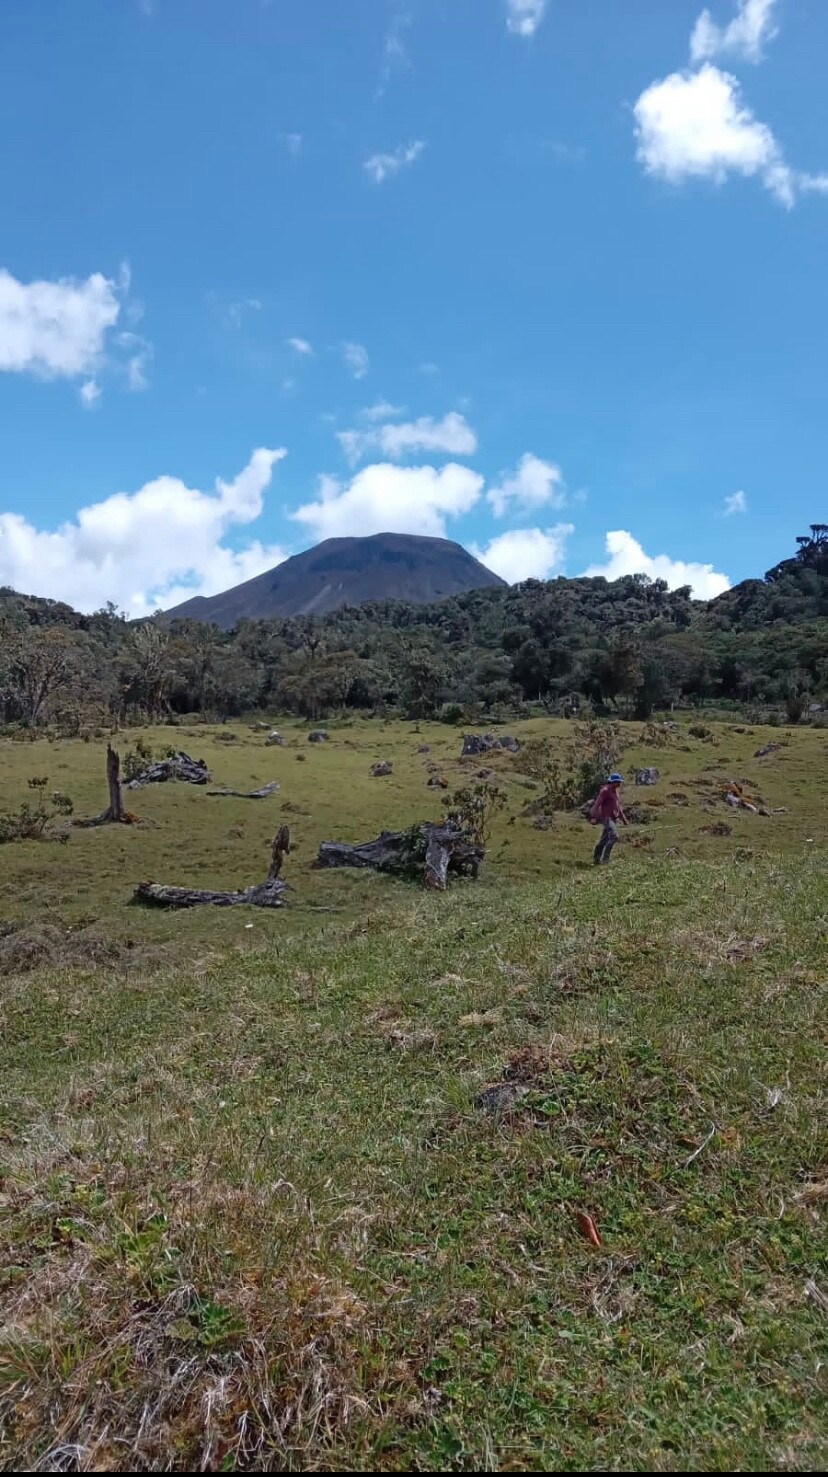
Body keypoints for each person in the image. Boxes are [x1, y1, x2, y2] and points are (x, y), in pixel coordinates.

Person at [590, 772, 628, 865]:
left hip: (613, 818)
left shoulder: (615, 791)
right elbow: (597, 804)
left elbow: (618, 806)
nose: (619, 784)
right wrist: (594, 817)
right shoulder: (605, 791)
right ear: (612, 782)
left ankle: (596, 859)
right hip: (606, 818)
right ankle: (605, 859)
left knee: (604, 839)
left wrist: (624, 819)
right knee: (614, 836)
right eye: (618, 782)